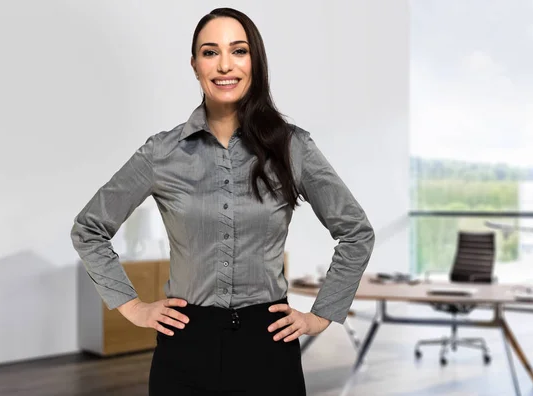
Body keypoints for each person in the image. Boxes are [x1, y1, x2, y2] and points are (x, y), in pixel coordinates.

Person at [70, 7, 375, 396]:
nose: (225, 65)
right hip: (184, 347)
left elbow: (356, 232)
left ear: (255, 62)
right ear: (195, 65)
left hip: (268, 348)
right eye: (211, 52)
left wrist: (321, 315)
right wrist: (132, 306)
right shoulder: (161, 153)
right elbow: (89, 228)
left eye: (239, 51)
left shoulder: (293, 147)